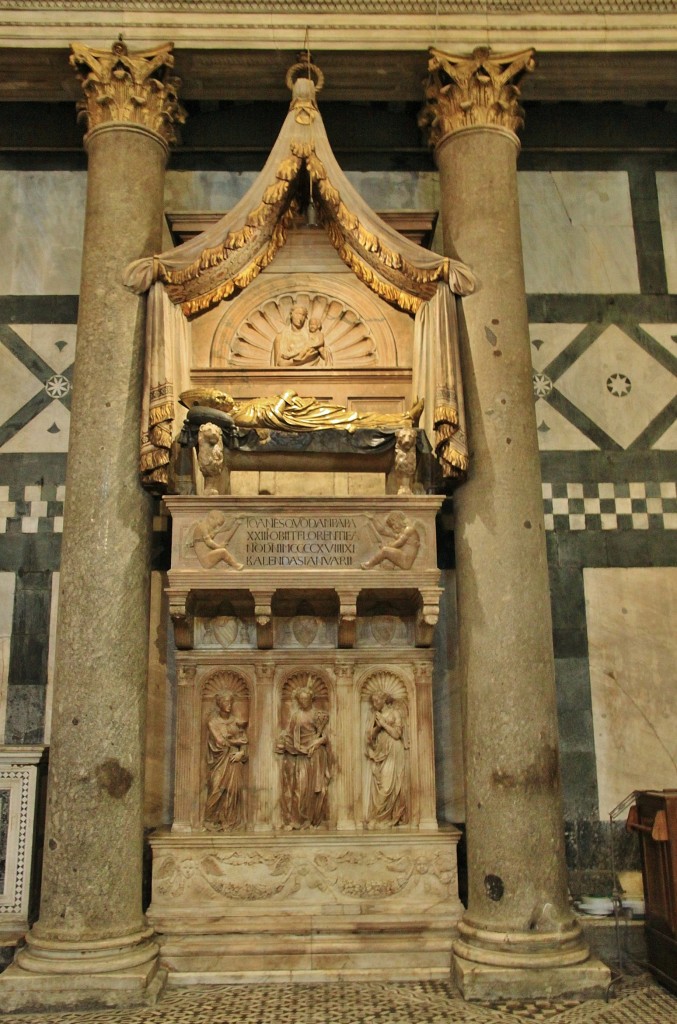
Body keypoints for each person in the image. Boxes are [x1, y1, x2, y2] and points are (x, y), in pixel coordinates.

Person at [181, 387, 423, 433]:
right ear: (215, 407)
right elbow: (272, 419)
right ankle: (402, 420)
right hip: (301, 419)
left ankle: (403, 419)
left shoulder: (242, 406)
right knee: (355, 418)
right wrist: (285, 397)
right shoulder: (238, 416)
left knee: (353, 415)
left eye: (219, 392)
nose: (224, 396)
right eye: (217, 398)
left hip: (304, 410)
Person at [275, 684, 331, 829]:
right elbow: (290, 734)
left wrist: (316, 742)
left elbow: (325, 737)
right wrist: (284, 742)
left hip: (315, 755)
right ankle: (297, 820)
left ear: (311, 699)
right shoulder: (296, 716)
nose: (303, 702)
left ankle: (311, 820)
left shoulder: (318, 715)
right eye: (301, 699)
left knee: (315, 790)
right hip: (300, 755)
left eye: (306, 699)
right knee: (300, 788)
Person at [204, 693, 249, 830]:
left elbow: (245, 741)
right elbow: (220, 741)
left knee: (233, 791)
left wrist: (241, 753)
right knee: (216, 789)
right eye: (226, 702)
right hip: (219, 761)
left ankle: (230, 822)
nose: (229, 705)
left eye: (230, 702)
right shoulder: (213, 722)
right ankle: (210, 820)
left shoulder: (235, 721)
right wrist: (236, 741)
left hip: (234, 762)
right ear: (219, 704)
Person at [365, 691, 408, 828]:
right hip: (381, 751)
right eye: (373, 702)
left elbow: (397, 734)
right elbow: (369, 737)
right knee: (381, 784)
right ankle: (378, 817)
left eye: (377, 701)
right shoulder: (374, 716)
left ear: (384, 700)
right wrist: (377, 727)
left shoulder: (394, 713)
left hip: (394, 750)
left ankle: (382, 818)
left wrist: (383, 724)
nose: (374, 704)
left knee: (388, 785)